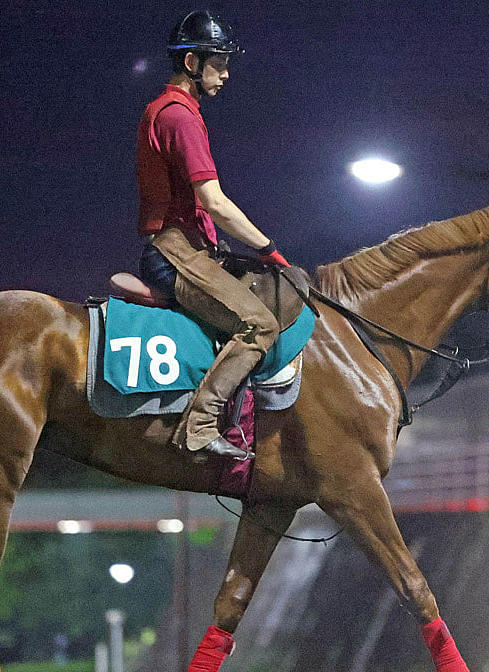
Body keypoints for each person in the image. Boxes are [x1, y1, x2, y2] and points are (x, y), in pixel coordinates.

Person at [131, 9, 289, 460]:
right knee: (259, 324)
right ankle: (200, 427)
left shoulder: (171, 112)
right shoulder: (179, 117)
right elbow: (215, 203)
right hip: (177, 253)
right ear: (190, 64)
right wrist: (268, 248)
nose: (225, 73)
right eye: (218, 63)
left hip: (191, 250)